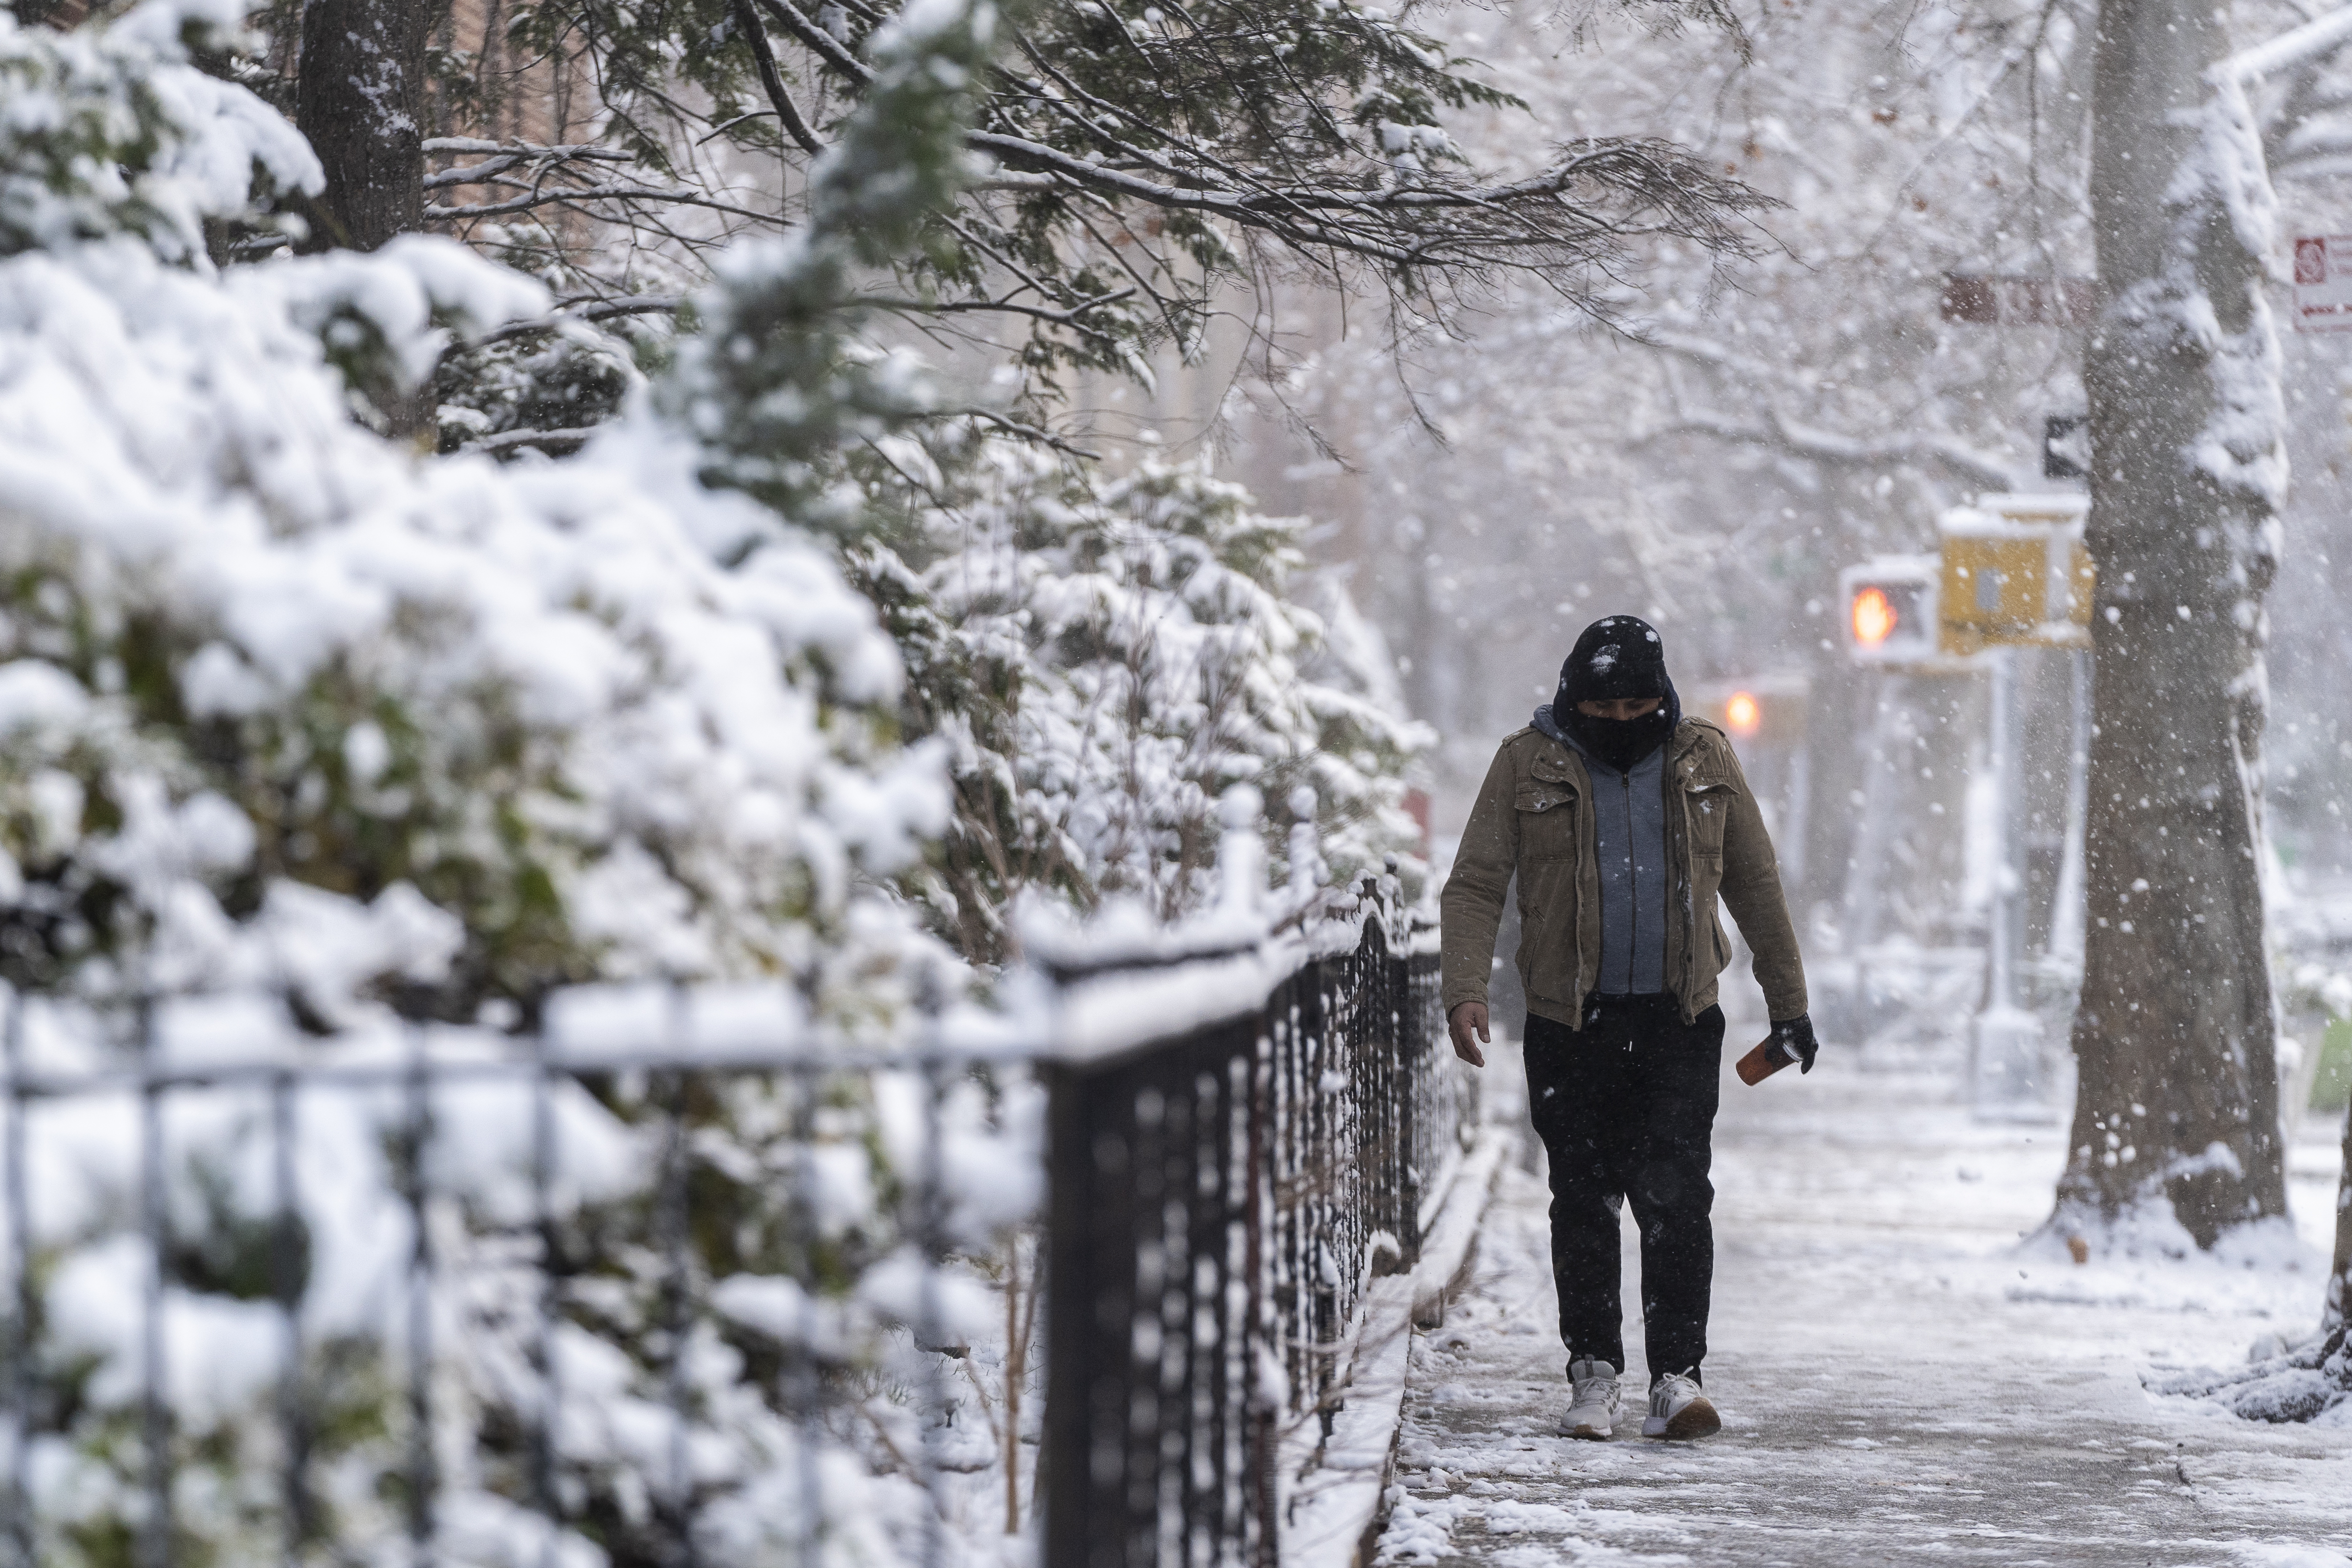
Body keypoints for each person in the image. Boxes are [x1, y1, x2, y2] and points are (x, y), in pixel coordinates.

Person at [1439, 615, 1815, 1442]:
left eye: (1638, 707)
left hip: (1680, 1018)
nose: (1621, 722)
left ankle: (1676, 1377)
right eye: (1603, 709)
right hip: (1568, 1021)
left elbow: (1754, 882)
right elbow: (1474, 883)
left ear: (1662, 696)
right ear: (1573, 699)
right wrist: (1463, 987)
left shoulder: (1702, 757)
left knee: (1676, 1195)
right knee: (1581, 1195)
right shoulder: (1525, 763)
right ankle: (1593, 1371)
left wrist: (1788, 1002)